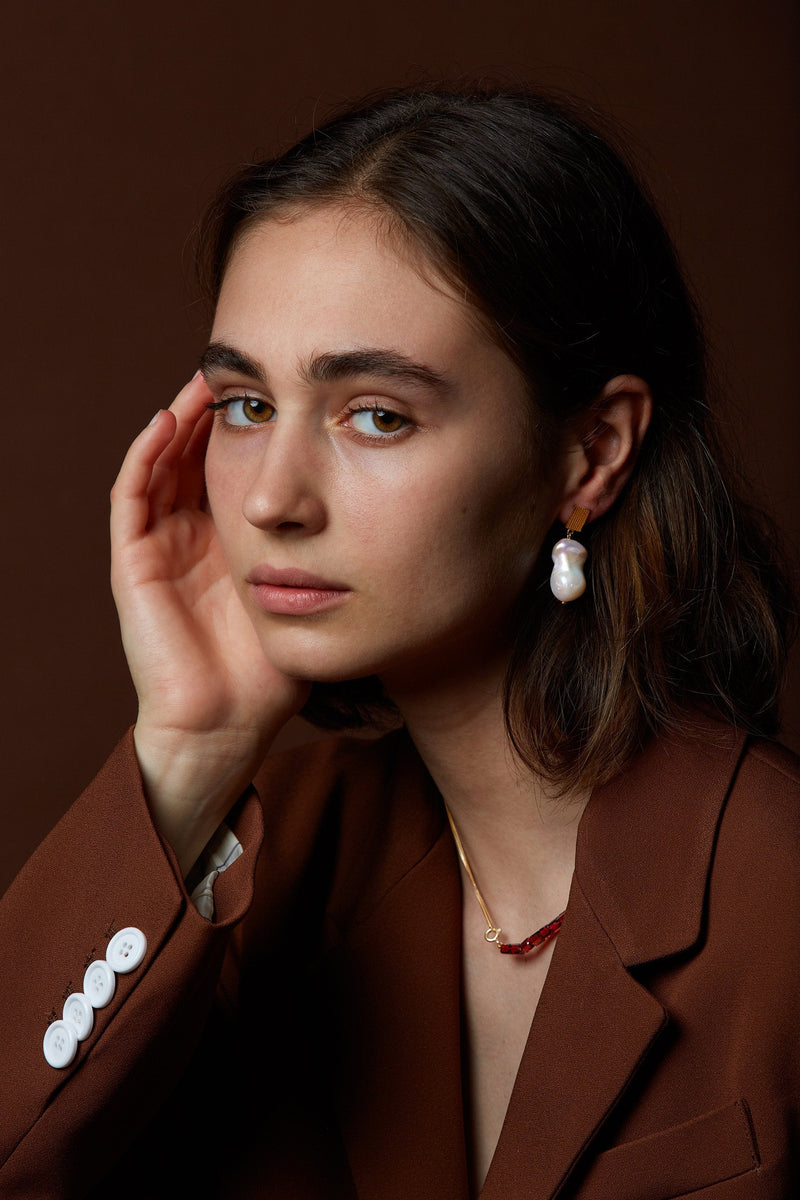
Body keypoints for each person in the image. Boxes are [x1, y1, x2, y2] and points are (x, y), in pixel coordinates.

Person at [1, 85, 798, 1199]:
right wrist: (186, 750)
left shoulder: (774, 899)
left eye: (376, 413)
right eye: (243, 404)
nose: (273, 498)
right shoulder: (278, 858)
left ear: (588, 457)